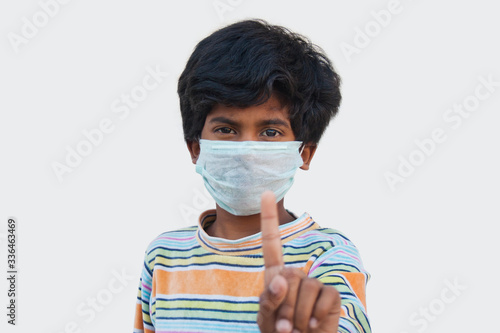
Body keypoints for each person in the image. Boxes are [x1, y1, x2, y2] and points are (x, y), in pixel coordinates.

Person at [133, 19, 370, 333]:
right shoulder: (163, 256)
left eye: (270, 132)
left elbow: (341, 321)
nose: (246, 151)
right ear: (195, 149)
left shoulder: (326, 255)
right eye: (226, 130)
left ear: (305, 154)